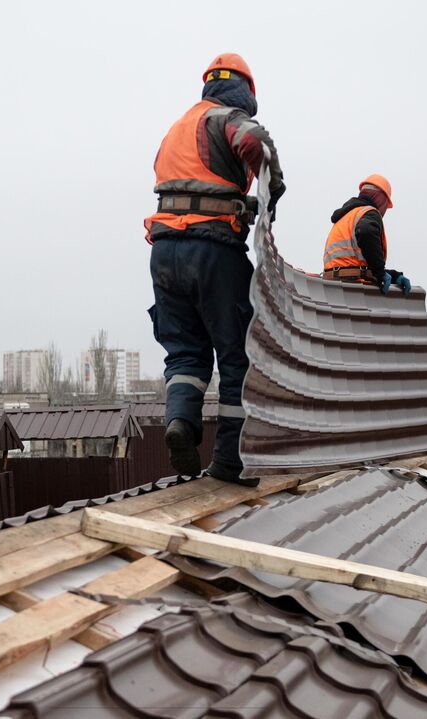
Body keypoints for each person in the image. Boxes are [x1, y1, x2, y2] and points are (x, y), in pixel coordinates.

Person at [144, 53, 286, 486]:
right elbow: (254, 143)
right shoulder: (227, 117)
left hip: (164, 251)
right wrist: (271, 187)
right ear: (245, 90)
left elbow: (188, 181)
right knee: (237, 354)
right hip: (212, 251)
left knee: (185, 354)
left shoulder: (177, 127)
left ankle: (181, 424)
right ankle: (229, 461)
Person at [322, 174, 413, 295]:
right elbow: (366, 233)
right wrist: (380, 273)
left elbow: (352, 264)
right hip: (353, 286)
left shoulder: (347, 216)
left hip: (333, 284)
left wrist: (393, 276)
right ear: (382, 198)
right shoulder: (369, 213)